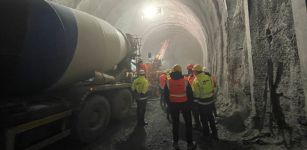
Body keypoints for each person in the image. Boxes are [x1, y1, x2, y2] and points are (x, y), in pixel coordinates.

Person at [164, 64, 197, 150]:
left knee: (175, 124)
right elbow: (190, 95)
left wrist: (170, 104)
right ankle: (190, 144)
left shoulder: (168, 81)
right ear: (180, 71)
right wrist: (190, 105)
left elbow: (166, 96)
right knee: (188, 124)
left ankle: (175, 143)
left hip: (173, 105)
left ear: (173, 71)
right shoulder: (186, 81)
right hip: (185, 104)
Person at [192, 64, 218, 140]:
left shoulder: (196, 80)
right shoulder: (208, 77)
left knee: (203, 119)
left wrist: (195, 103)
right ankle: (215, 133)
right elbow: (213, 86)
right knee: (211, 118)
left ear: (196, 71)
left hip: (202, 103)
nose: (193, 72)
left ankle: (206, 134)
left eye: (194, 71)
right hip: (210, 101)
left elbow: (196, 94)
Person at [186, 64, 201, 130]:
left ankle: (198, 124)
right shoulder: (191, 76)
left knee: (195, 111)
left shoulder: (194, 77)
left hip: (194, 96)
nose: (189, 71)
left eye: (189, 70)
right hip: (194, 96)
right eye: (189, 70)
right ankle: (197, 123)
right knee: (195, 111)